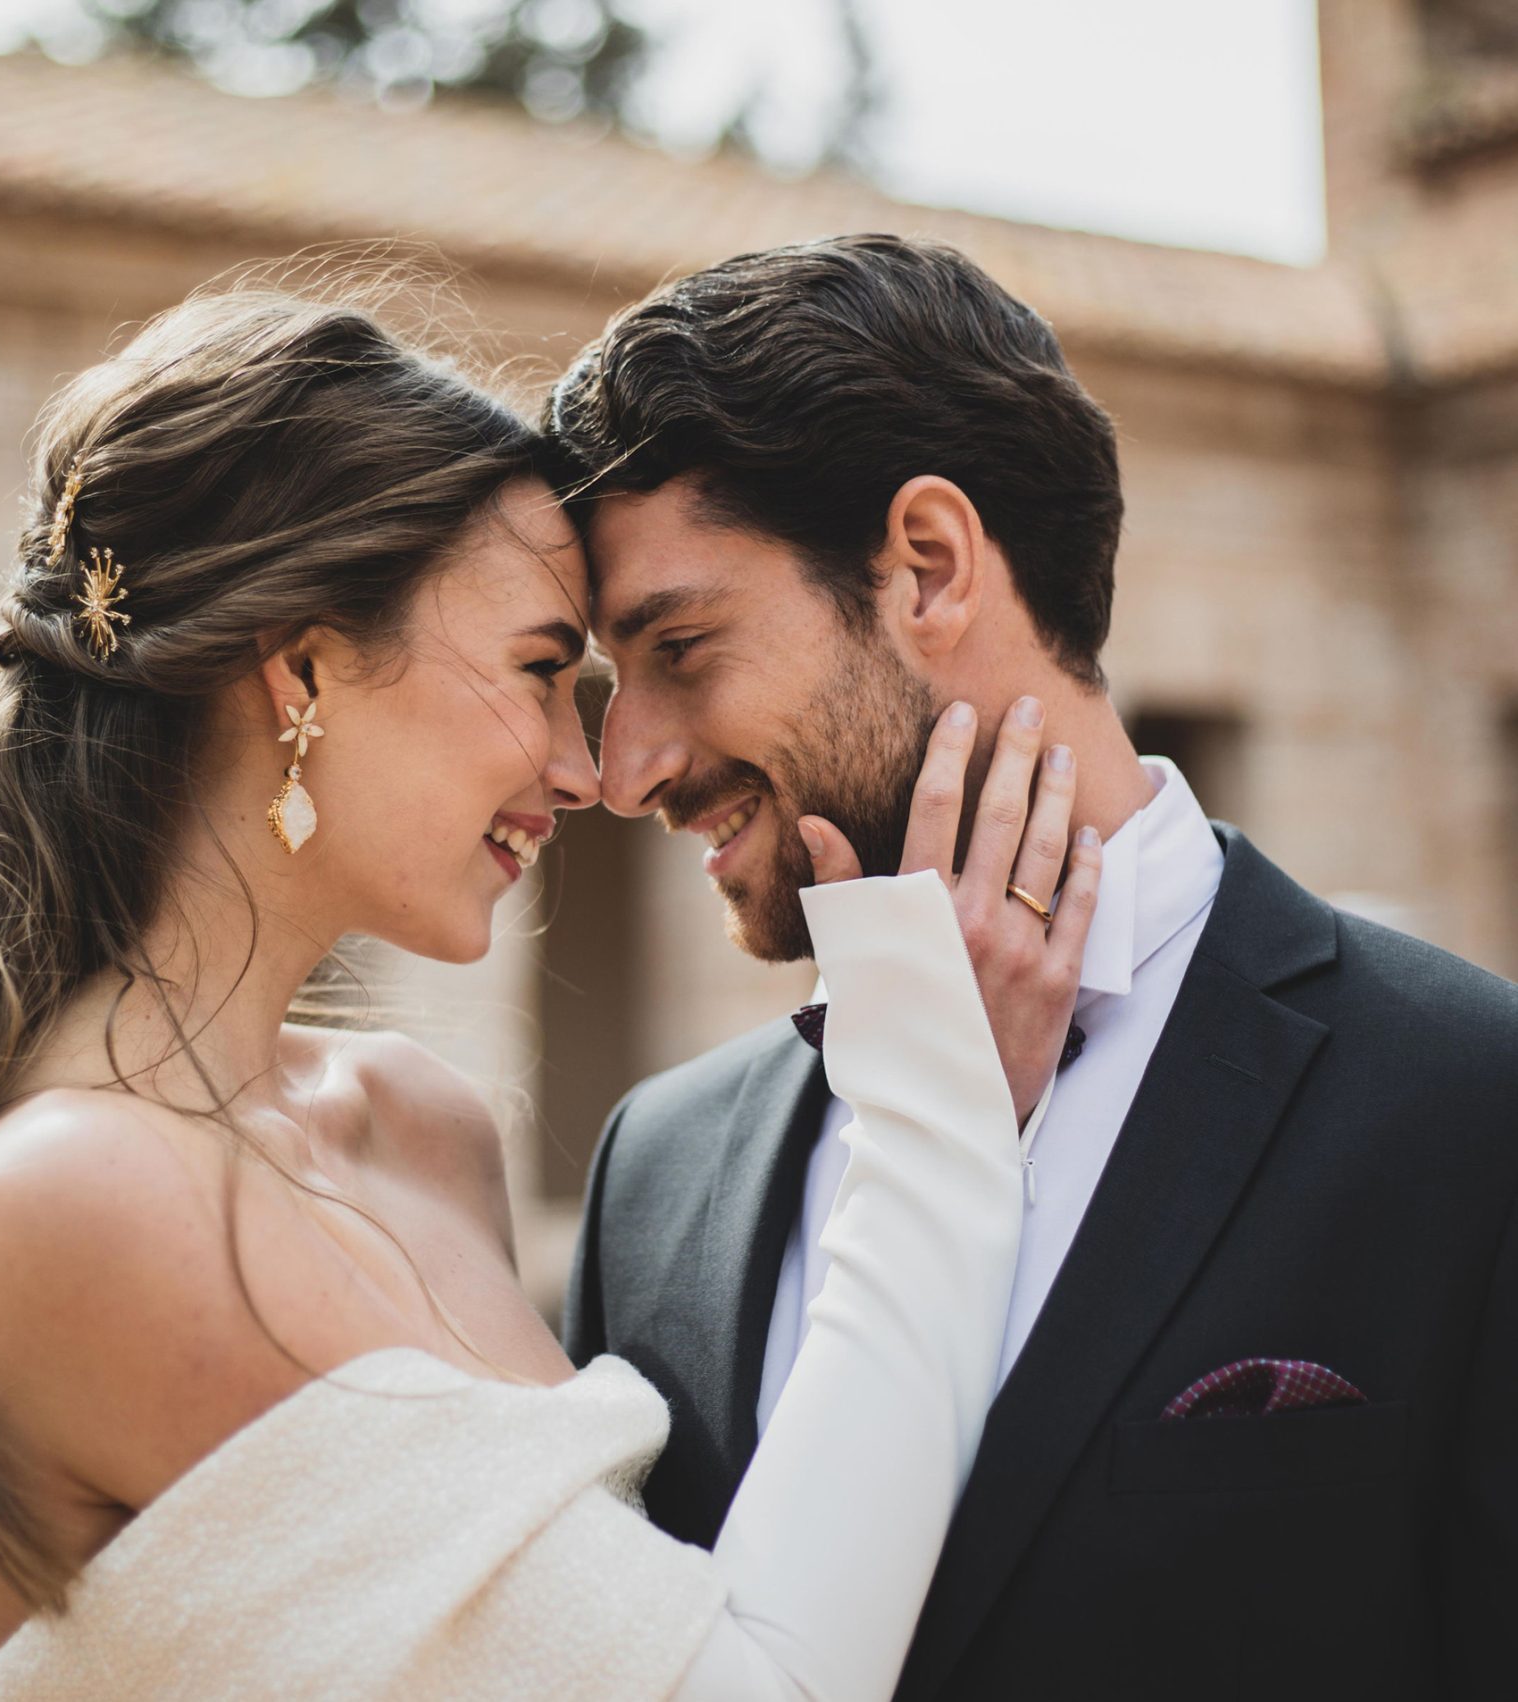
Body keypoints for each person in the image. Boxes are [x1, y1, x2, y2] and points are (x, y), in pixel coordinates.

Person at [0, 276, 1101, 1701]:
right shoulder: (79, 1197)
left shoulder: (420, 1127)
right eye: (539, 670)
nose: (588, 772)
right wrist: (941, 1120)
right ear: (303, 668)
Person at [549, 231, 1518, 1701]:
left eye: (677, 647)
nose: (625, 770)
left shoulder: (1471, 1108)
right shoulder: (656, 1172)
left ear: (927, 567)